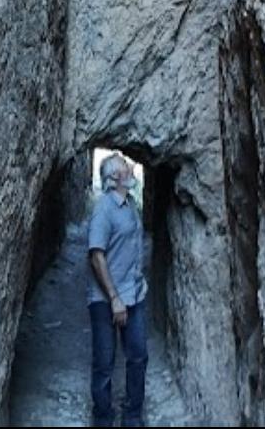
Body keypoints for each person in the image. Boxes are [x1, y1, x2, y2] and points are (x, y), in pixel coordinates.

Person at [86, 153, 148, 427]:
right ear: (115, 177)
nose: (131, 167)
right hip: (106, 298)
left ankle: (132, 416)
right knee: (104, 362)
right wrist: (114, 299)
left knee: (137, 355)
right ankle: (103, 419)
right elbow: (96, 255)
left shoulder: (130, 204)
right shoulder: (104, 209)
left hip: (134, 293)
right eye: (125, 166)